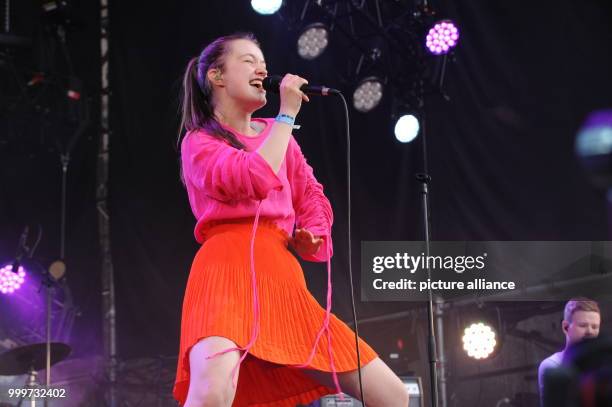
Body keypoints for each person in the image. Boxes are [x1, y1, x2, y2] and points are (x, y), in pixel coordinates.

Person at [173, 32, 409, 407]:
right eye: (249, 60)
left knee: (392, 396)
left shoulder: (279, 136)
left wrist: (312, 233)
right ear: (217, 76)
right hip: (226, 273)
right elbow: (251, 177)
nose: (262, 68)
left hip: (283, 280)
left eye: (263, 61)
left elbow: (311, 195)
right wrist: (286, 115)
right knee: (213, 393)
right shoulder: (199, 141)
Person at [538, 297, 601, 405]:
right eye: (583, 325)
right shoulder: (553, 365)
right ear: (566, 327)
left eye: (595, 327)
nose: (590, 331)